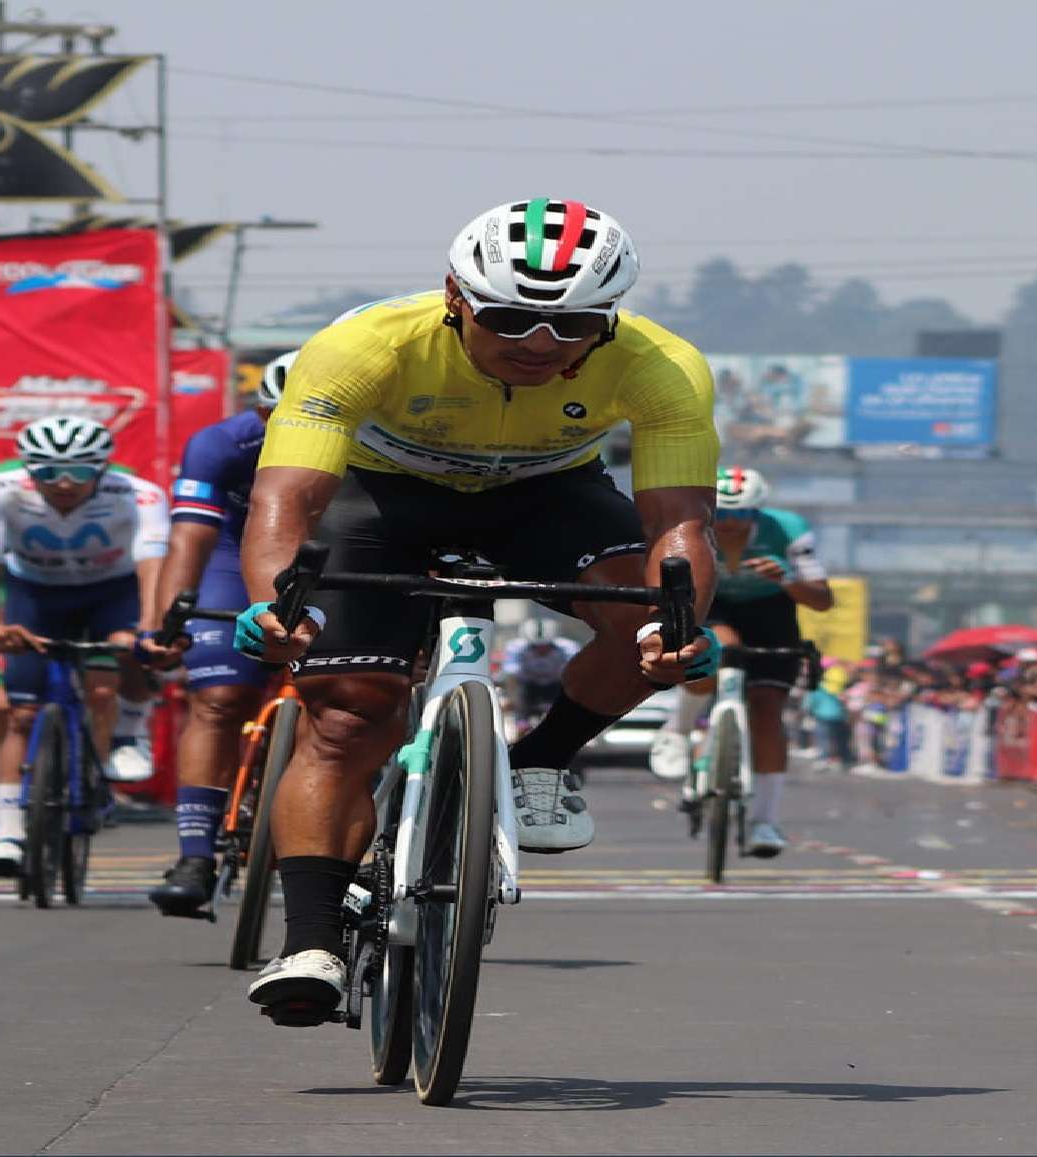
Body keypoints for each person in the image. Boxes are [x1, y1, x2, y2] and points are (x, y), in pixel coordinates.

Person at [234, 199, 721, 1018]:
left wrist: (674, 629)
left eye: (574, 327)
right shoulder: (364, 346)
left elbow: (677, 523)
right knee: (347, 717)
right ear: (454, 296)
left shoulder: (662, 365)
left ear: (610, 319)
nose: (540, 343)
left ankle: (543, 756)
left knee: (644, 626)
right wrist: (278, 609)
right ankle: (309, 941)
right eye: (510, 317)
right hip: (381, 499)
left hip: (547, 497)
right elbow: (285, 503)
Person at [0, 416, 169, 877]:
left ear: (102, 469)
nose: (64, 483)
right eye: (48, 472)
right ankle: (9, 833)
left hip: (111, 593)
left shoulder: (140, 495)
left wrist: (148, 627)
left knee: (108, 680)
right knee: (21, 713)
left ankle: (127, 734)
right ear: (28, 470)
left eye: (79, 470)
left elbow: (153, 565)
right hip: (35, 594)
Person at [140, 350, 297, 917]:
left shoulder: (371, 442)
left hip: (332, 553)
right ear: (257, 411)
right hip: (233, 555)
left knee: (356, 697)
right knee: (219, 700)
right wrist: (169, 623)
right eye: (268, 421)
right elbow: (189, 540)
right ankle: (195, 856)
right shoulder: (221, 444)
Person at [648, 467, 831, 856]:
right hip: (714, 604)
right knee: (719, 648)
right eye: (723, 514)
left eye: (743, 515)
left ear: (758, 513)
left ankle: (765, 820)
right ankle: (678, 730)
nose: (731, 524)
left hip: (771, 613)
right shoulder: (691, 521)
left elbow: (822, 599)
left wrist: (786, 580)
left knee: (767, 713)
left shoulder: (789, 529)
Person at [502, 617, 582, 736]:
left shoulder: (568, 648)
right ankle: (520, 722)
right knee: (511, 682)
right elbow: (510, 671)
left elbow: (575, 673)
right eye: (535, 646)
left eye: (546, 645)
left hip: (557, 686)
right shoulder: (515, 648)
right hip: (528, 687)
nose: (541, 650)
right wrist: (512, 699)